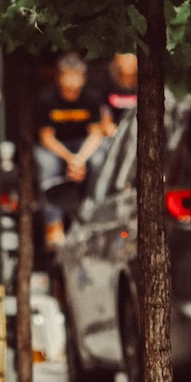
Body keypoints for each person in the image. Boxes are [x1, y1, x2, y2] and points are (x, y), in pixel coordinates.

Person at [35, 53, 111, 244]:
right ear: (59, 77)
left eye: (76, 76)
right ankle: (53, 224)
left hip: (83, 145)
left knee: (100, 160)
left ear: (83, 77)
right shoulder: (46, 99)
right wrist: (71, 159)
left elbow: (96, 133)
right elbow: (46, 138)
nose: (72, 81)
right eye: (67, 75)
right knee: (47, 166)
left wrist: (81, 159)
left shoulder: (92, 97)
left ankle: (95, 215)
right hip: (57, 146)